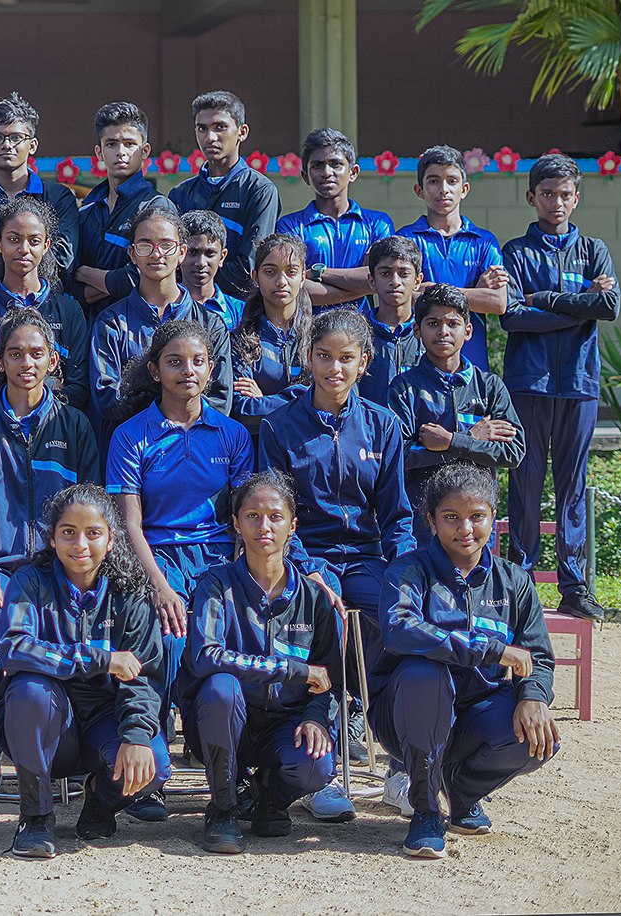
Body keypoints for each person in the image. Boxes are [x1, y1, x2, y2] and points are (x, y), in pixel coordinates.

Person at [256, 307, 414, 822]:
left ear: (365, 362)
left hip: (366, 557)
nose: (334, 369)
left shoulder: (384, 425)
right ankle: (323, 772)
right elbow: (275, 514)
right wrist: (306, 565)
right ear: (308, 358)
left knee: (397, 624)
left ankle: (401, 766)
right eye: (324, 357)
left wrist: (405, 572)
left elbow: (397, 516)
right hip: (305, 558)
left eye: (346, 358)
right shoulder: (279, 427)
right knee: (321, 625)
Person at [104, 319, 253, 822]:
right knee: (160, 644)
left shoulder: (233, 435)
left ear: (211, 370)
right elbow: (128, 525)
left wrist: (228, 582)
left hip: (216, 564)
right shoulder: (129, 436)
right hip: (154, 560)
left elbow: (242, 523)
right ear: (155, 370)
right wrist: (162, 587)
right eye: (174, 361)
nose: (186, 371)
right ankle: (150, 775)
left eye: (197, 361)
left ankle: (227, 778)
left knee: (217, 656)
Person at [374, 463, 559, 859]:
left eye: (477, 517)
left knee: (537, 738)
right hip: (408, 714)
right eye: (451, 518)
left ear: (493, 518)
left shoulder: (514, 581)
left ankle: (461, 793)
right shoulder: (410, 569)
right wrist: (489, 649)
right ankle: (424, 810)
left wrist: (533, 696)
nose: (465, 529)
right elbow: (399, 629)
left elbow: (537, 655)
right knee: (425, 669)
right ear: (431, 520)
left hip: (476, 713)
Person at [0, 308, 101, 797]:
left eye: (37, 353)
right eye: (14, 354)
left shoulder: (74, 424)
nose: (26, 363)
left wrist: (74, 568)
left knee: (74, 641)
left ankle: (70, 743)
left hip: (61, 571)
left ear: (54, 360)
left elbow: (91, 508)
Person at [0, 484, 168, 856]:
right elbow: (12, 648)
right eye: (68, 533)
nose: (80, 545)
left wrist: (136, 734)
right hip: (47, 725)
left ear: (112, 538)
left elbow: (144, 675)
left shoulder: (131, 592)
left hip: (105, 720)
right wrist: (99, 658)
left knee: (154, 766)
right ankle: (36, 817)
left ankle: (99, 800)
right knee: (28, 689)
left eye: (93, 533)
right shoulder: (30, 581)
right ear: (52, 538)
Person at [174, 472, 341, 854]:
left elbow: (331, 680)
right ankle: (223, 809)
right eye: (252, 516)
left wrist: (316, 717)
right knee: (220, 687)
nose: (264, 526)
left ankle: (269, 799)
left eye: (275, 517)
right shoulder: (214, 584)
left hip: (285, 724)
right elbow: (205, 656)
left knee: (316, 763)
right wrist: (291, 670)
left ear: (292, 526)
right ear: (235, 523)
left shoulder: (315, 598)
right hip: (221, 722)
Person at [501, 153, 620, 621]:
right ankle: (521, 582)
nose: (556, 202)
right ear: (532, 197)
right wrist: (580, 305)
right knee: (526, 482)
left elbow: (608, 306)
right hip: (528, 383)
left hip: (579, 383)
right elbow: (512, 316)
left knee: (573, 486)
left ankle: (574, 585)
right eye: (547, 194)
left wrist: (548, 299)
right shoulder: (515, 252)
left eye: (565, 194)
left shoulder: (594, 250)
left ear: (576, 197)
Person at [389, 284, 525, 548]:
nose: (443, 331)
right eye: (433, 323)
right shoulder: (404, 388)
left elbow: (513, 453)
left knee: (478, 586)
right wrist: (472, 439)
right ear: (417, 330)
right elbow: (398, 456)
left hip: (477, 522)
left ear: (468, 331)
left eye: (453, 323)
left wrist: (453, 441)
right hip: (423, 526)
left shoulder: (489, 387)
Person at [88, 199, 234, 436]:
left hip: (197, 451)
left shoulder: (211, 324)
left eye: (166, 245)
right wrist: (181, 399)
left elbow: (220, 399)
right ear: (132, 254)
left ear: (181, 252)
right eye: (146, 246)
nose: (157, 254)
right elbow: (107, 399)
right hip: (133, 453)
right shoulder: (110, 324)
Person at [0, 195, 91, 410]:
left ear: (46, 245)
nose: (24, 249)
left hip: (54, 430)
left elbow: (79, 392)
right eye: (14, 239)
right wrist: (51, 383)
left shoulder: (69, 311)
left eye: (34, 241)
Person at [399, 146, 510, 370]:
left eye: (452, 180)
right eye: (433, 181)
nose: (443, 189)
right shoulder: (405, 240)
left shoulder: (484, 241)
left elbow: (498, 302)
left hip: (472, 360)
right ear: (419, 190)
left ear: (464, 188)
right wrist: (475, 293)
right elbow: (402, 298)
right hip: (418, 363)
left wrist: (430, 291)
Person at [167, 91, 281, 300]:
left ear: (242, 132)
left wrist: (193, 278)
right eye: (202, 129)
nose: (210, 137)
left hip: (238, 316)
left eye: (220, 127)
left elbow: (250, 269)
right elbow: (169, 262)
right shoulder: (179, 194)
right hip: (183, 311)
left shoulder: (260, 190)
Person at [0, 92, 79, 281]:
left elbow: (62, 262)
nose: (7, 145)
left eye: (16, 138)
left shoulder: (57, 198)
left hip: (42, 306)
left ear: (32, 145)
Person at [277, 128, 395, 307]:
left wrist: (317, 273)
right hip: (310, 331)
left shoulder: (378, 224)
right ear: (305, 176)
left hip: (364, 331)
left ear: (353, 172)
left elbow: (381, 279)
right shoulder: (289, 226)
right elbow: (295, 288)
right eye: (317, 165)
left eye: (335, 164)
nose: (326, 172)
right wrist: (362, 285)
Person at [74, 101, 160, 308]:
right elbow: (69, 287)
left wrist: (84, 273)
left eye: (129, 143)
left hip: (138, 332)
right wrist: (115, 282)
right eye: (111, 144)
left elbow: (138, 279)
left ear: (145, 150)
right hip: (90, 332)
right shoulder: (86, 213)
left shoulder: (157, 208)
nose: (121, 151)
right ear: (99, 152)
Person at [228, 233, 313, 431]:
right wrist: (307, 400)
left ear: (303, 277)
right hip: (261, 455)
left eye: (291, 271)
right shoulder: (238, 341)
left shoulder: (321, 337)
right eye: (270, 271)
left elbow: (336, 401)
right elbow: (242, 411)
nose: (281, 281)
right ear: (255, 277)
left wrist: (265, 400)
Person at [360, 236, 426, 404]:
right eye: (385, 273)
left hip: (419, 430)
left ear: (417, 281)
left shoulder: (429, 334)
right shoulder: (356, 335)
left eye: (404, 274)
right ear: (372, 281)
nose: (395, 282)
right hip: (368, 429)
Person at [180, 210, 246, 328]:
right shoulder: (165, 307)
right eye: (192, 252)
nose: (201, 263)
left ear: (222, 257)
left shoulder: (241, 313)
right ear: (180, 253)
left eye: (210, 253)